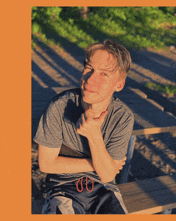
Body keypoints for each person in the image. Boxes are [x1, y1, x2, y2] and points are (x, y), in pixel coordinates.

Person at [33, 39, 134, 214]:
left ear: (119, 84)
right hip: (62, 189)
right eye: (89, 68)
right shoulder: (59, 106)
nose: (90, 80)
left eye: (104, 74)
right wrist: (100, 164)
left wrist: (94, 134)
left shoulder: (123, 117)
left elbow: (108, 177)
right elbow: (46, 164)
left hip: (105, 190)